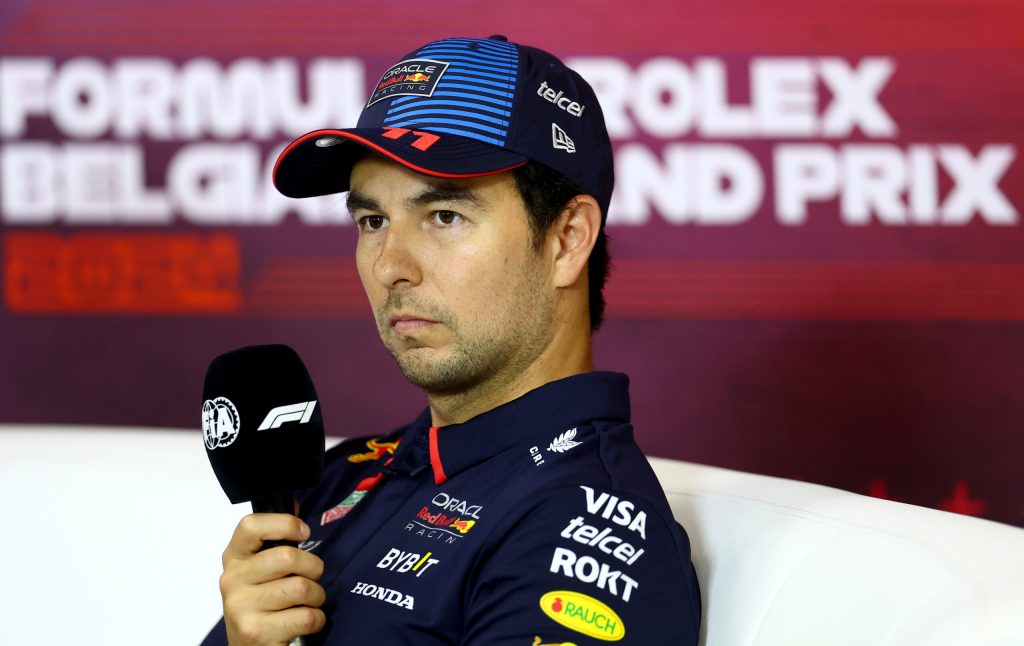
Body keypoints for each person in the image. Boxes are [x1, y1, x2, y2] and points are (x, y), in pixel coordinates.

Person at [202, 35, 701, 646]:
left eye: (444, 217)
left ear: (568, 239)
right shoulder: (344, 473)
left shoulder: (580, 529)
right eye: (373, 221)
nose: (390, 266)